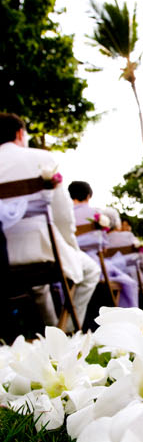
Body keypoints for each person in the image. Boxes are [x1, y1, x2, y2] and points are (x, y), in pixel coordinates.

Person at [0, 112, 100, 329]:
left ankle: (51, 331)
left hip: (5, 254)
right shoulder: (41, 159)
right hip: (43, 249)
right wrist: (70, 245)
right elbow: (63, 215)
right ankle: (68, 331)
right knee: (90, 270)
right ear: (20, 133)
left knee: (39, 286)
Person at [68, 184, 143, 313]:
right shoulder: (96, 214)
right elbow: (103, 247)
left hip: (68, 265)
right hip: (96, 267)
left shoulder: (64, 214)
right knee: (129, 283)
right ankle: (127, 318)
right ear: (88, 196)